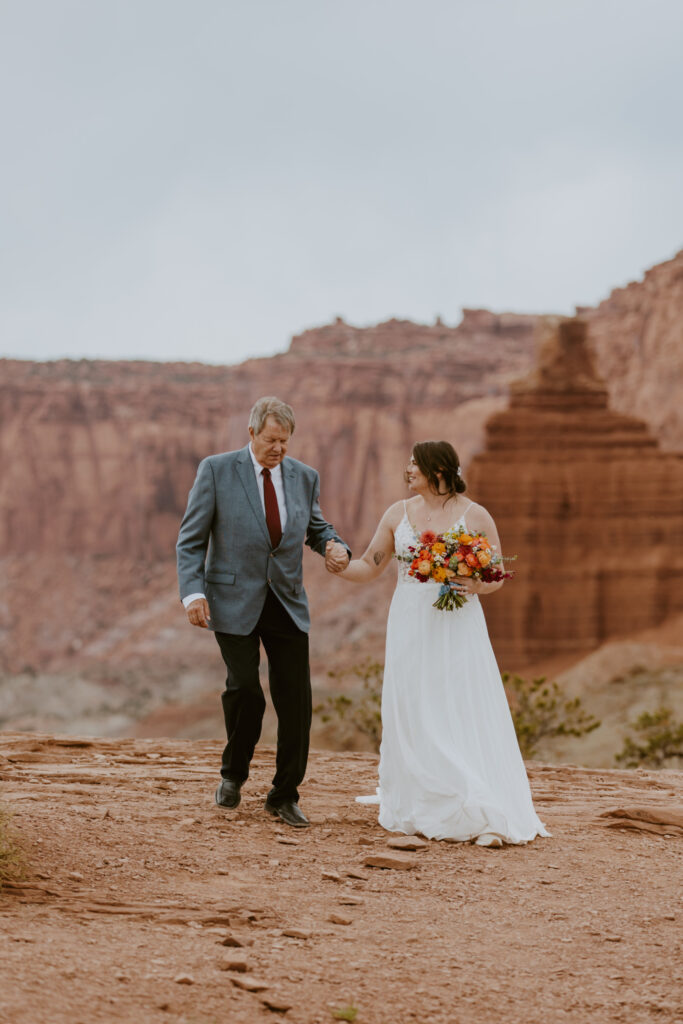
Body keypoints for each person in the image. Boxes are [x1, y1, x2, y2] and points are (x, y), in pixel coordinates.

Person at [336, 440, 550, 847]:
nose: (407, 469)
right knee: (415, 706)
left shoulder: (475, 515)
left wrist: (472, 583)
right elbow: (368, 567)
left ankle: (481, 810)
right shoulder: (396, 514)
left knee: (456, 703)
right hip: (409, 623)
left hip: (456, 625)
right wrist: (339, 565)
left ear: (438, 471)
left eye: (415, 464)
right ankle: (425, 800)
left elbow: (496, 573)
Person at [176, 396, 350, 828]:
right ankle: (233, 776)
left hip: (287, 601)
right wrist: (192, 593)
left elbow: (315, 526)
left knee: (296, 701)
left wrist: (333, 545)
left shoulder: (304, 476)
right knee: (245, 692)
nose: (278, 449)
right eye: (271, 440)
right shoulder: (216, 470)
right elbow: (191, 540)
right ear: (251, 433)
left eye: (285, 442)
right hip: (232, 600)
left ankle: (284, 794)